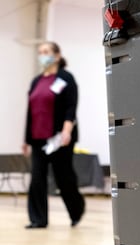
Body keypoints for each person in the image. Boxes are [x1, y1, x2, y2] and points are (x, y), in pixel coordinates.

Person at [22, 41, 85, 229]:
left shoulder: (66, 78)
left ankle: (76, 210)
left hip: (59, 139)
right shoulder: (36, 81)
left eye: (46, 51)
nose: (42, 55)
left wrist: (66, 131)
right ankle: (38, 219)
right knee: (37, 179)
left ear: (57, 56)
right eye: (40, 52)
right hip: (38, 138)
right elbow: (31, 112)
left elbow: (70, 107)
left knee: (64, 178)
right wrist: (26, 140)